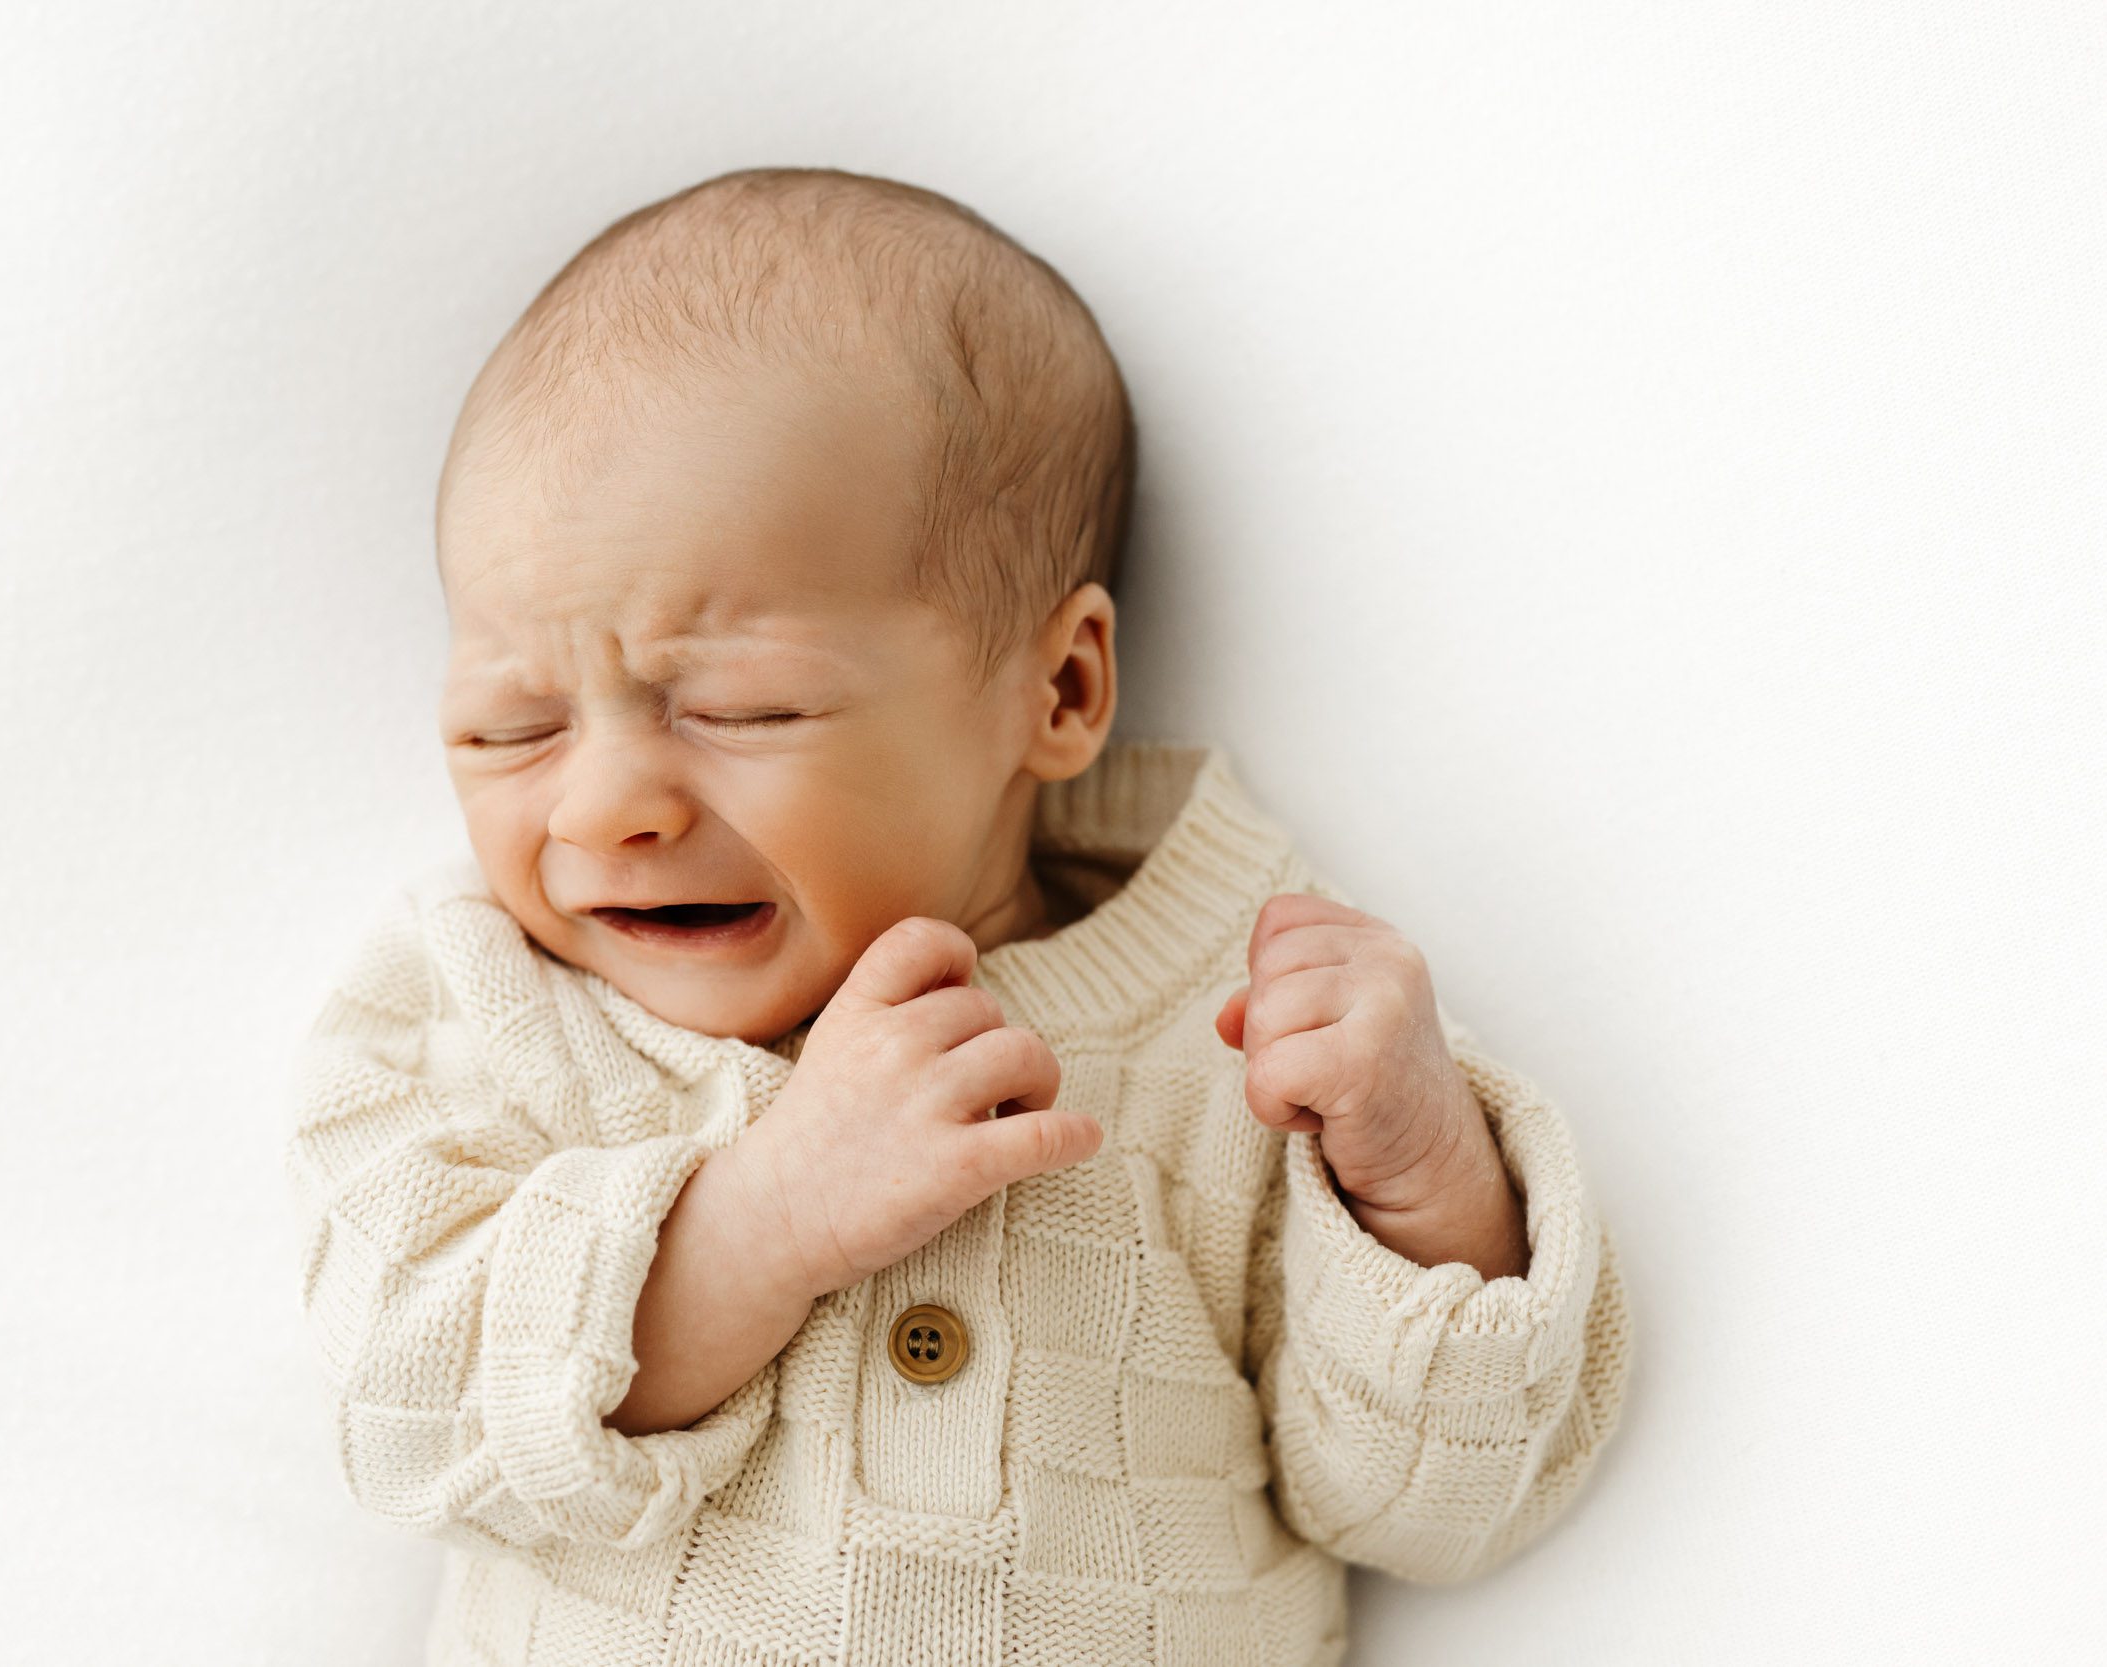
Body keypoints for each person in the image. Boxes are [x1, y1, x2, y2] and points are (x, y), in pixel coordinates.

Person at [283, 165, 1632, 1666]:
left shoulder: (1243, 1013)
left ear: (1057, 693)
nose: (604, 809)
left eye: (738, 705)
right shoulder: (477, 1005)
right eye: (509, 730)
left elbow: (1430, 1517)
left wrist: (1427, 1189)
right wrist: (753, 1224)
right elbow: (397, 1405)